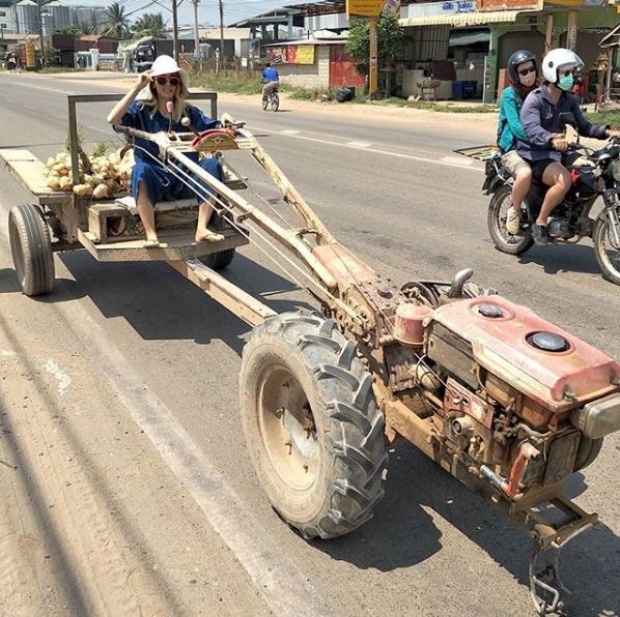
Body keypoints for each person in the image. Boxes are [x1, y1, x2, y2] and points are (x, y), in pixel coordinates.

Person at [107, 54, 225, 247]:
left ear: (179, 84)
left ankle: (202, 228)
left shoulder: (188, 113)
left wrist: (229, 127)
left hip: (185, 178)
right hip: (156, 181)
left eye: (173, 80)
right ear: (154, 83)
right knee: (141, 169)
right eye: (162, 80)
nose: (168, 85)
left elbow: (214, 128)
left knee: (212, 164)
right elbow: (112, 119)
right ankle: (151, 233)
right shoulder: (141, 110)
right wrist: (138, 86)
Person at [518, 48, 620, 246]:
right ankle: (540, 222)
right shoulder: (535, 98)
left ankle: (575, 214)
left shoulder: (569, 100)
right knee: (563, 180)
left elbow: (584, 126)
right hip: (537, 153)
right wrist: (551, 139)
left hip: (560, 151)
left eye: (572, 73)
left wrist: (610, 132)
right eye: (566, 73)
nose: (571, 77)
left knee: (594, 170)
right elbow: (531, 129)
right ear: (551, 72)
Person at [497, 50, 538, 235]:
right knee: (525, 173)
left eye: (531, 69)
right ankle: (513, 210)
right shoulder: (509, 94)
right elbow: (516, 126)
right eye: (523, 72)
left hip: (535, 145)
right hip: (512, 146)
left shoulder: (540, 92)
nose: (529, 74)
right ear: (515, 75)